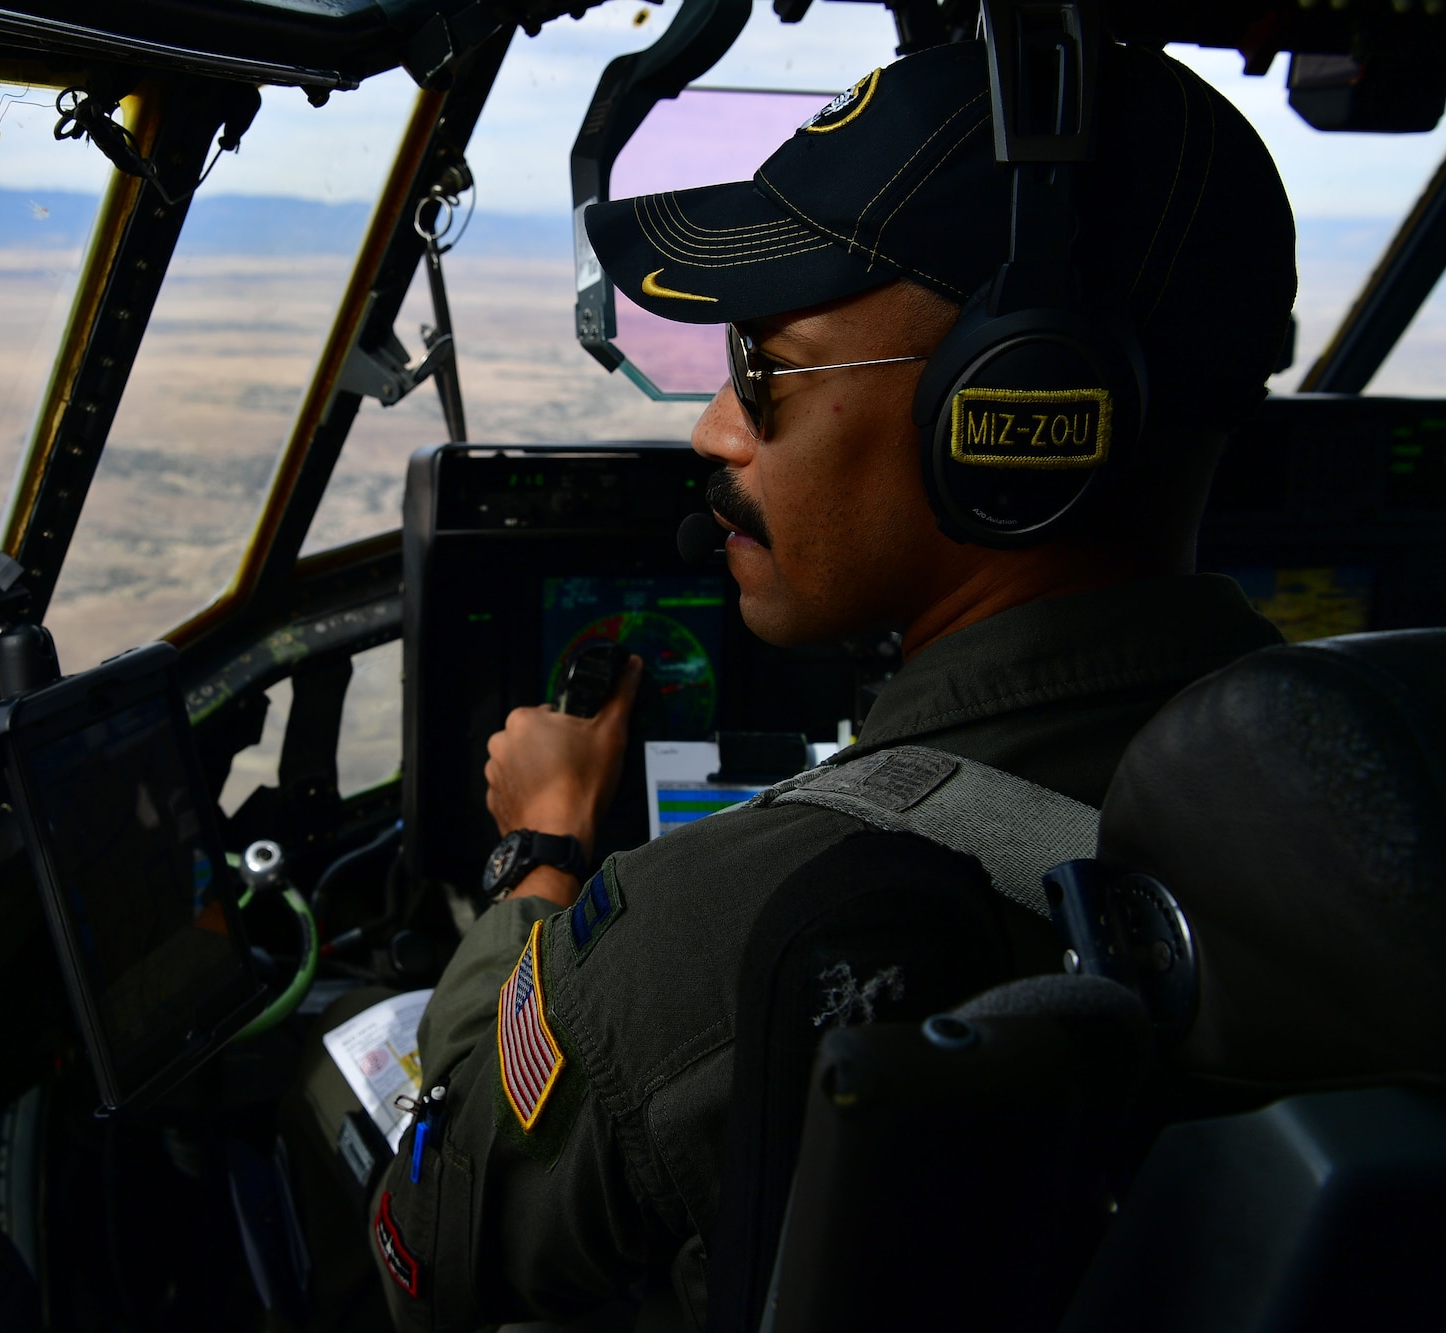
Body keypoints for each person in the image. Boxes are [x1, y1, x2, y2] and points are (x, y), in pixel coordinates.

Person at [370, 36, 1296, 1333]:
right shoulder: (1368, 785)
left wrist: (544, 851)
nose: (713, 430)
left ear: (1013, 411)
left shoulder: (725, 937)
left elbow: (425, 1244)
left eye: (762, 365)